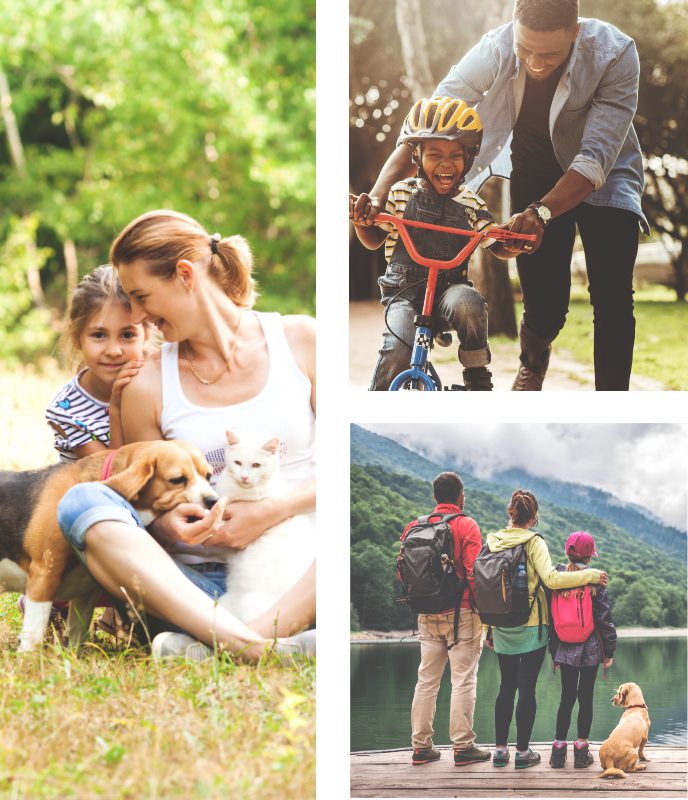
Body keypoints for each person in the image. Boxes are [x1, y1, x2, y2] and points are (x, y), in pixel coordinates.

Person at [56, 210, 316, 661]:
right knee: (83, 503)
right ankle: (252, 646)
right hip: (201, 591)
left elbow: (348, 466)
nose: (138, 316)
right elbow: (144, 503)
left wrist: (268, 512)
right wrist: (166, 526)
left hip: (303, 570)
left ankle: (233, 643)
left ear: (184, 275)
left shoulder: (301, 340)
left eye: (141, 297)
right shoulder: (148, 383)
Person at [359, 0, 647, 391]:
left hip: (606, 174)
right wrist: (378, 194)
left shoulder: (615, 53)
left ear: (575, 32)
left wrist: (543, 213)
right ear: (514, 27)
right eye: (525, 50)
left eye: (550, 54)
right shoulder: (495, 48)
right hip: (535, 171)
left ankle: (613, 402)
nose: (536, 63)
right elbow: (431, 122)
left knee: (613, 297)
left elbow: (594, 158)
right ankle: (534, 361)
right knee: (545, 307)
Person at [350, 97, 520, 391]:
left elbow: (495, 242)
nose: (445, 164)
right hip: (403, 294)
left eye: (455, 155)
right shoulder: (401, 193)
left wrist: (513, 244)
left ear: (468, 158)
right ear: (416, 156)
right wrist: (361, 222)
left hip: (448, 293)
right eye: (435, 155)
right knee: (399, 348)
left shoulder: (471, 203)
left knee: (469, 303)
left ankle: (477, 376)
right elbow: (374, 240)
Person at [485, 490, 607, 769]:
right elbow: (551, 580)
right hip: (531, 627)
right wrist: (591, 575)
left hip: (500, 625)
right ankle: (523, 753)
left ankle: (500, 751)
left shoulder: (493, 541)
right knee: (526, 688)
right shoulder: (533, 542)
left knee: (506, 687)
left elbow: (488, 586)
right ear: (534, 516)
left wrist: (488, 629)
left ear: (510, 512)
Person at [401, 471, 491, 766]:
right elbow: (474, 573)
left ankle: (420, 747)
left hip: (426, 614)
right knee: (463, 680)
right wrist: (484, 611)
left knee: (426, 680)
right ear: (461, 497)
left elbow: (403, 571)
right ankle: (463, 747)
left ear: (435, 497)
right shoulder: (466, 525)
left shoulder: (414, 527)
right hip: (462, 613)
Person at [46, 265, 149, 461]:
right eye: (99, 335)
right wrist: (116, 408)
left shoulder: (159, 378)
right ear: (78, 339)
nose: (113, 351)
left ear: (146, 335)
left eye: (127, 335)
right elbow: (110, 476)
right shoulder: (67, 411)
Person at [548, 531, 616, 769]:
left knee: (566, 697)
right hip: (591, 647)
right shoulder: (596, 582)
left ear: (567, 551)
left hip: (565, 647)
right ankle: (581, 750)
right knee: (585, 697)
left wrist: (553, 651)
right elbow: (604, 619)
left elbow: (551, 618)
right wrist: (609, 651)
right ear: (590, 558)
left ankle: (557, 751)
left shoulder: (556, 579)